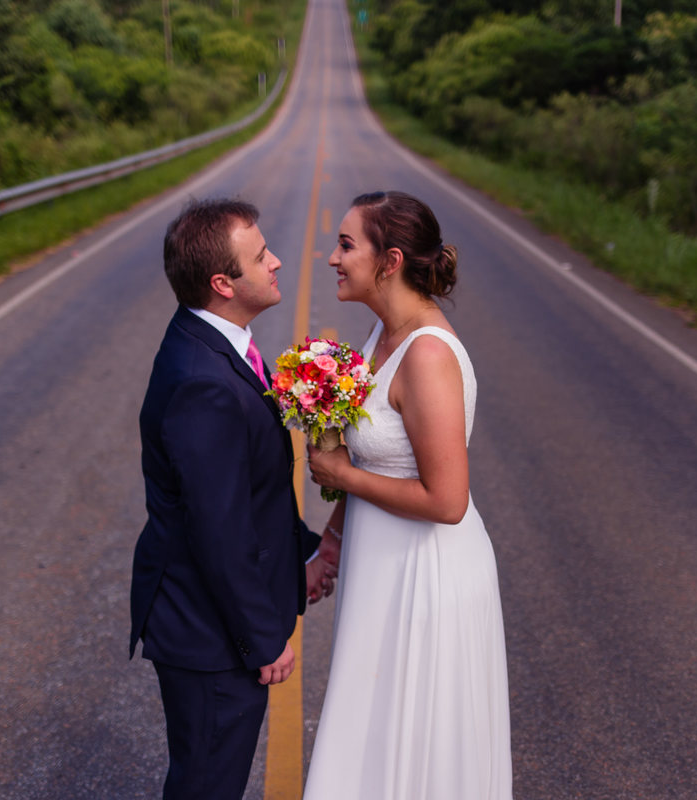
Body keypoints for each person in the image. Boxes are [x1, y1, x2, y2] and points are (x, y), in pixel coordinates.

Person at [303, 191, 512, 799]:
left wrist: (341, 477)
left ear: (390, 260)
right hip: (380, 571)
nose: (333, 258)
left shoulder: (426, 354)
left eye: (346, 245)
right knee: (372, 743)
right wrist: (332, 544)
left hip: (428, 577)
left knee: (416, 752)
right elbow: (374, 458)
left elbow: (447, 501)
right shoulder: (382, 333)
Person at [130, 197, 337, 800]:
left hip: (210, 620)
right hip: (208, 633)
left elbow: (251, 495)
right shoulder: (203, 379)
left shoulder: (221, 344)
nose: (276, 261)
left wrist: (304, 553)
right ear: (223, 283)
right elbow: (217, 529)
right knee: (207, 786)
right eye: (261, 255)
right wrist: (261, 639)